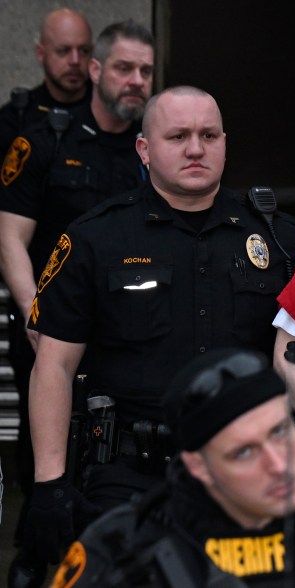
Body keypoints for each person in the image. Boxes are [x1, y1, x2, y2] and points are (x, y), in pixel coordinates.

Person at [21, 87, 295, 578]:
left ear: (224, 143)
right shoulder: (97, 237)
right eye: (178, 136)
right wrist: (49, 485)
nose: (196, 148)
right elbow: (54, 364)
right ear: (144, 149)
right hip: (131, 476)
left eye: (208, 135)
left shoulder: (279, 240)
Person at [51, 347, 295, 587]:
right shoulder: (119, 550)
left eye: (280, 433)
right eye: (244, 453)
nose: (278, 463)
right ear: (198, 466)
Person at [2, 19, 154, 586]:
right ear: (96, 70)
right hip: (51, 327)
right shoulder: (46, 140)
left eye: (145, 71)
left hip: (124, 331)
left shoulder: (154, 148)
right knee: (45, 438)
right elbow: (11, 238)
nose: (136, 81)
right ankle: (37, 551)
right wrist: (33, 312)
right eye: (123, 68)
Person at [0, 8, 93, 155]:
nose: (75, 61)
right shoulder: (16, 118)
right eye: (63, 50)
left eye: (84, 51)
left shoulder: (108, 112)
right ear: (41, 54)